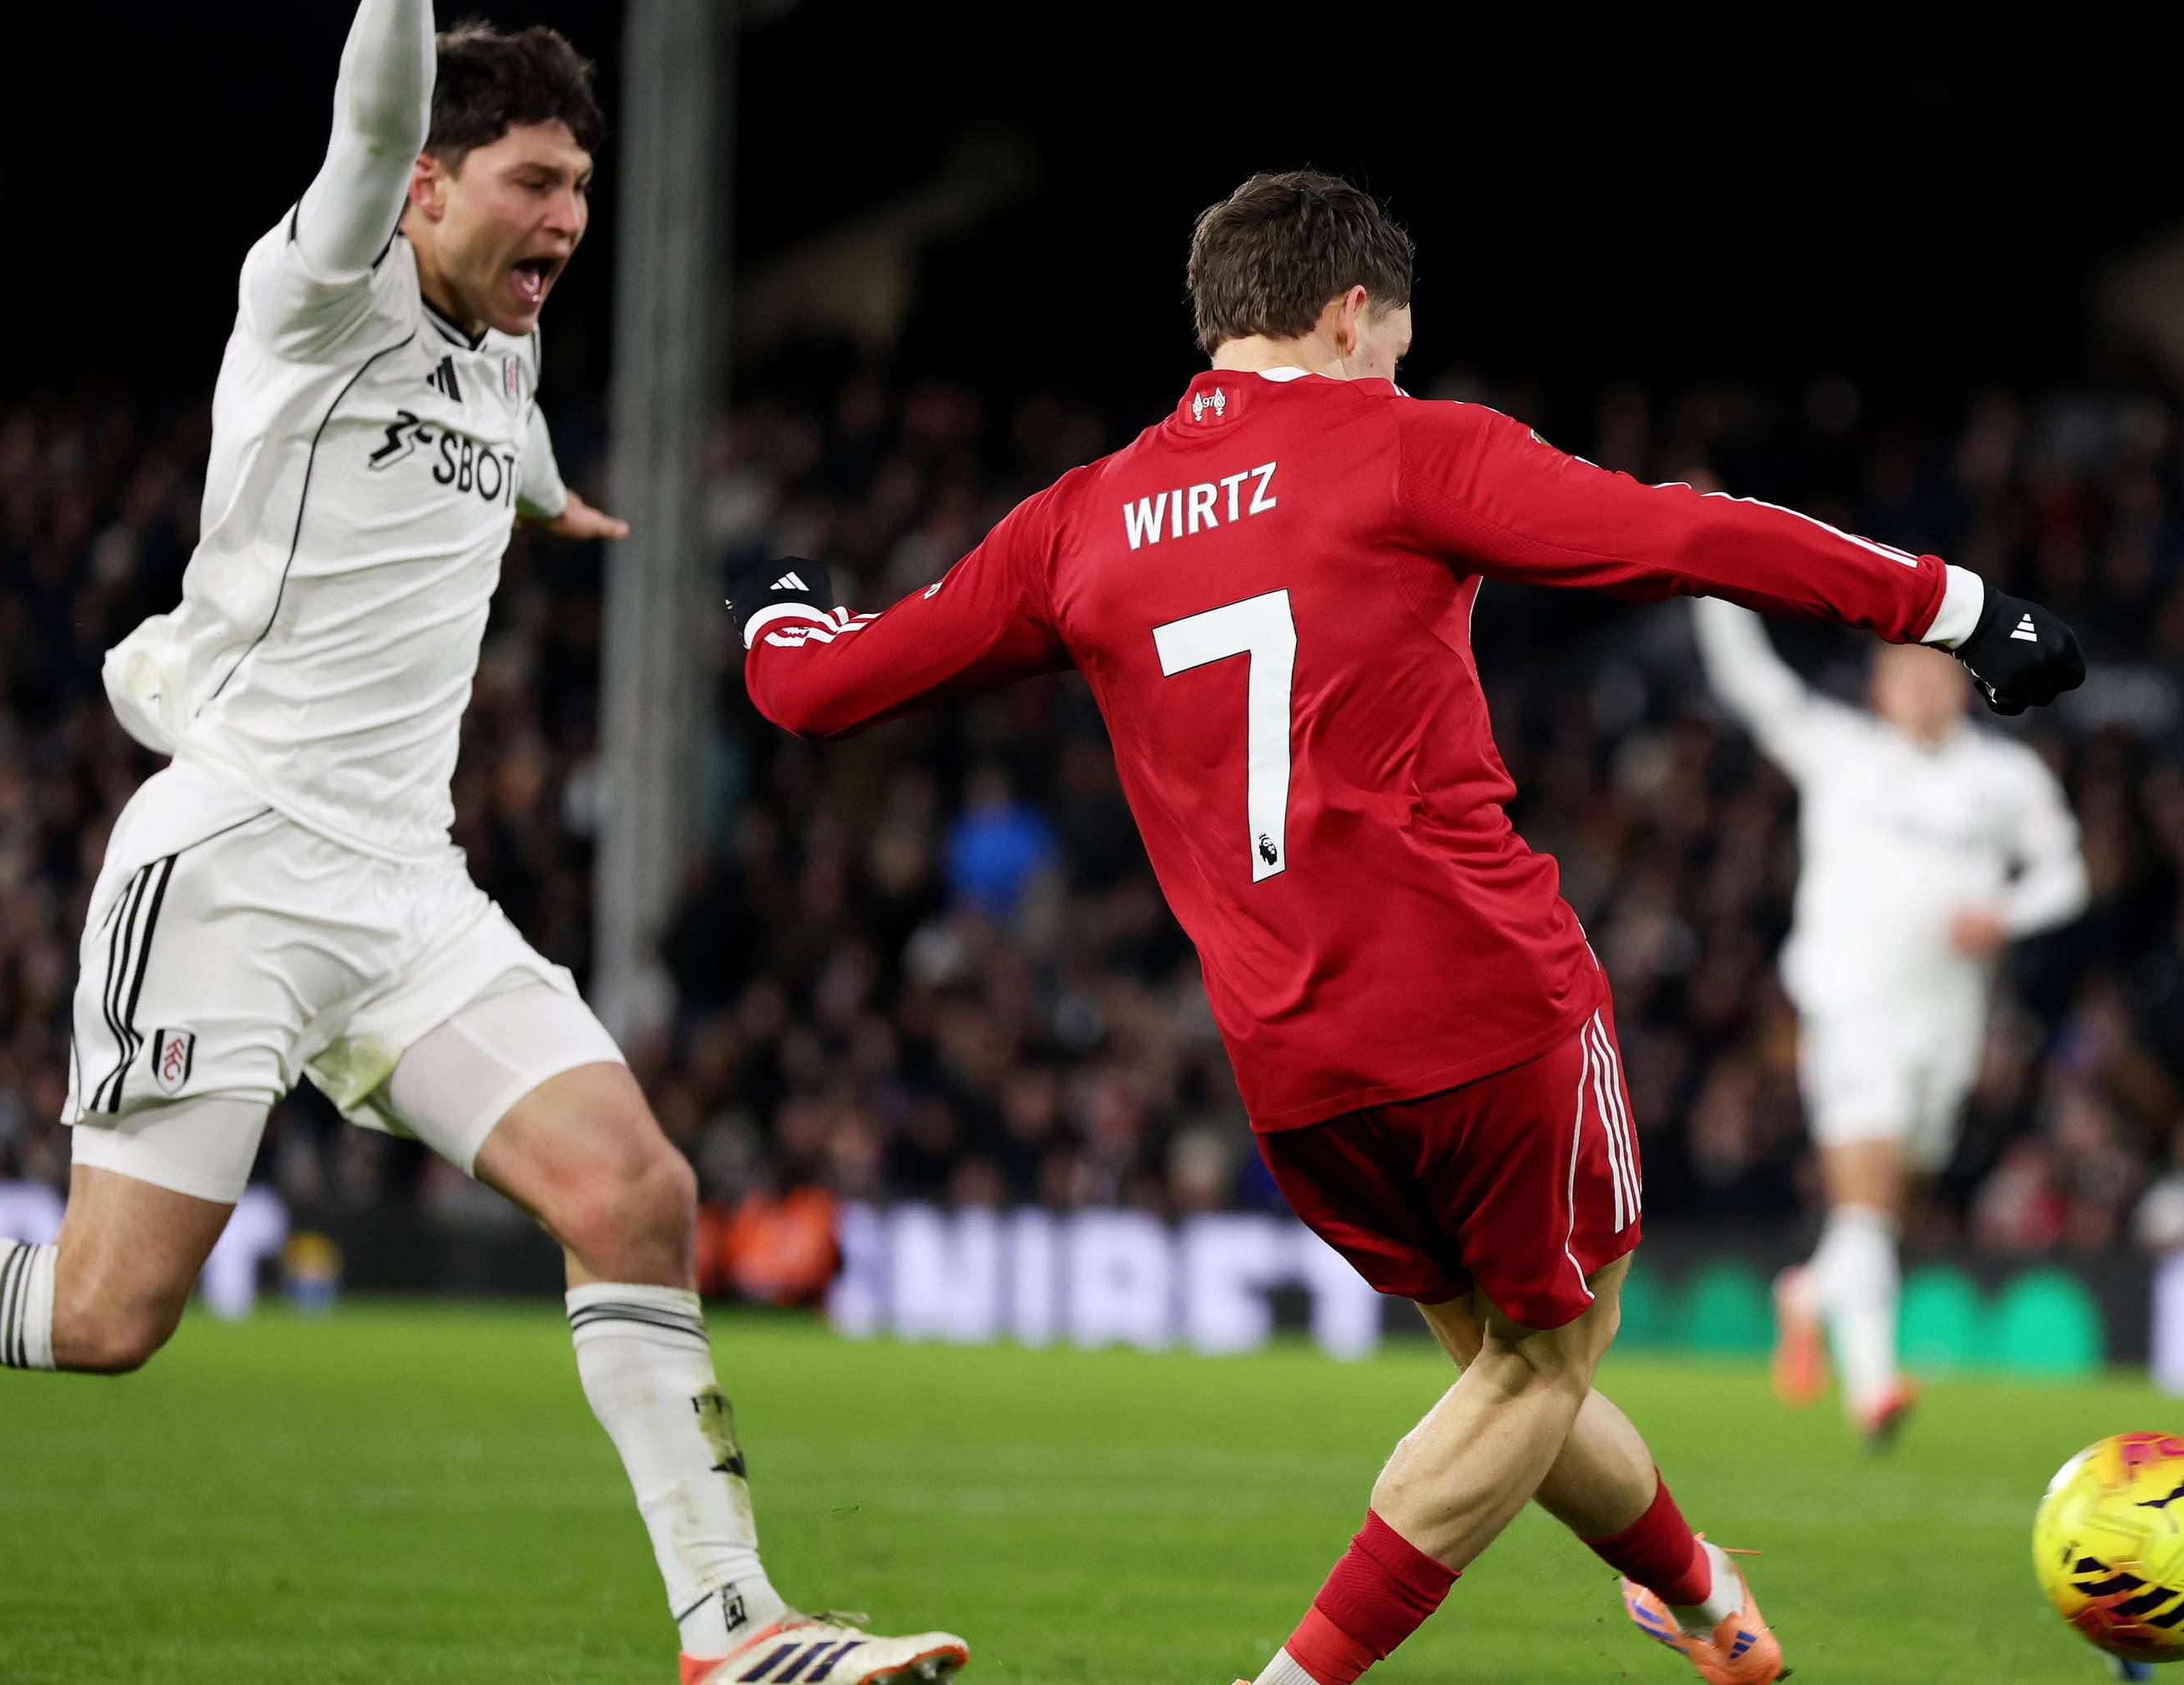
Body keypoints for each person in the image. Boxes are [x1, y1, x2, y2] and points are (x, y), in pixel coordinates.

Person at [730, 169, 2087, 1685]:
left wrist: (779, 599)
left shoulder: (1079, 521)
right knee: (1544, 1368)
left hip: (1289, 1061)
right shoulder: (1403, 447)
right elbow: (1689, 536)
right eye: (1397, 340)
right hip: (1483, 1007)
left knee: (1513, 1376)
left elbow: (814, 689)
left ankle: (1700, 1599)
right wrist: (1959, 609)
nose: (1401, 366)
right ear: (1347, 311)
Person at [0, 0, 965, 1682]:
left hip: (411, 894)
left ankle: (736, 1632)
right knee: (107, 1316)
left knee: (637, 1192)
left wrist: (549, 494)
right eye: (532, 182)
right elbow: (366, 129)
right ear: (427, 189)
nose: (567, 219)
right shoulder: (322, 292)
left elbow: (502, 420)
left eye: (581, 186)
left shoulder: (506, 349)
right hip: (235, 863)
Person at [1691, 598, 2086, 1445]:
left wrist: (2006, 914)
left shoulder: (2005, 778)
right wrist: (1711, 581)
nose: (1923, 691)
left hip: (1949, 1019)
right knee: (1867, 1205)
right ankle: (1873, 1387)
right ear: (1879, 688)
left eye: (1938, 676)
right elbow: (1750, 682)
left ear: (1964, 685)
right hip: (1851, 1008)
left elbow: (2067, 875)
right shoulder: (1841, 752)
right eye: (1906, 676)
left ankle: (1809, 1292)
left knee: (1889, 1207)